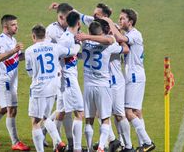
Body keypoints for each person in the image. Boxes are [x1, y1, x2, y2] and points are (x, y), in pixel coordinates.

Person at [102, 9, 156, 152]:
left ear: (130, 22)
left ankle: (147, 142)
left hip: (134, 76)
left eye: (122, 19)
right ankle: (142, 144)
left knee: (128, 112)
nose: (120, 21)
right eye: (119, 19)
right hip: (135, 75)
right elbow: (121, 37)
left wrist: (108, 22)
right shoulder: (131, 34)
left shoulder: (135, 34)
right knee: (137, 112)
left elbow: (120, 39)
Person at [25, 24, 81, 152]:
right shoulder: (55, 47)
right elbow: (71, 52)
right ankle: (58, 141)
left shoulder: (29, 51)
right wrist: (78, 44)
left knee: (35, 121)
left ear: (33, 36)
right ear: (45, 35)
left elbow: (29, 72)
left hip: (38, 88)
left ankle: (50, 145)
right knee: (45, 117)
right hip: (53, 87)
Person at [0, 14, 30, 151]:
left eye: (16, 24)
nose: (16, 26)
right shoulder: (0, 40)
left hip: (10, 79)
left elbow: (17, 57)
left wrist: (32, 52)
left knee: (2, 108)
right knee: (12, 109)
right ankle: (15, 142)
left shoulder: (12, 39)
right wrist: (14, 50)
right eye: (13, 24)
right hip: (5, 81)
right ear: (5, 26)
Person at [80, 20, 129, 152]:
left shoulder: (84, 42)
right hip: (103, 86)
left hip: (88, 86)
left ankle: (90, 148)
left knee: (89, 119)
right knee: (105, 119)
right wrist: (119, 35)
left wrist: (86, 36)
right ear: (101, 32)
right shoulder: (109, 45)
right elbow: (125, 49)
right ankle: (101, 147)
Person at [46, 2, 75, 150]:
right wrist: (77, 47)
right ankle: (58, 143)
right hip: (53, 76)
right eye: (68, 18)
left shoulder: (65, 25)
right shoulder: (53, 30)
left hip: (64, 73)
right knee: (62, 110)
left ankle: (61, 141)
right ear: (61, 17)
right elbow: (64, 50)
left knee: (64, 109)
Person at [57, 11, 84, 152]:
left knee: (61, 112)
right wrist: (75, 48)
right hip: (68, 80)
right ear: (78, 23)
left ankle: (60, 143)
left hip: (66, 79)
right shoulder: (67, 38)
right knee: (79, 113)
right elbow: (59, 53)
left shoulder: (69, 37)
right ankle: (77, 149)